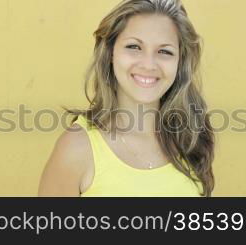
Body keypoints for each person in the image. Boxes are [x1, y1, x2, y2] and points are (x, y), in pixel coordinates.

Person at [38, 0, 215, 197]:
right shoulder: (77, 148)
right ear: (111, 53)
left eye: (164, 51)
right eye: (134, 46)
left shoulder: (190, 137)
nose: (148, 64)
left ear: (179, 62)